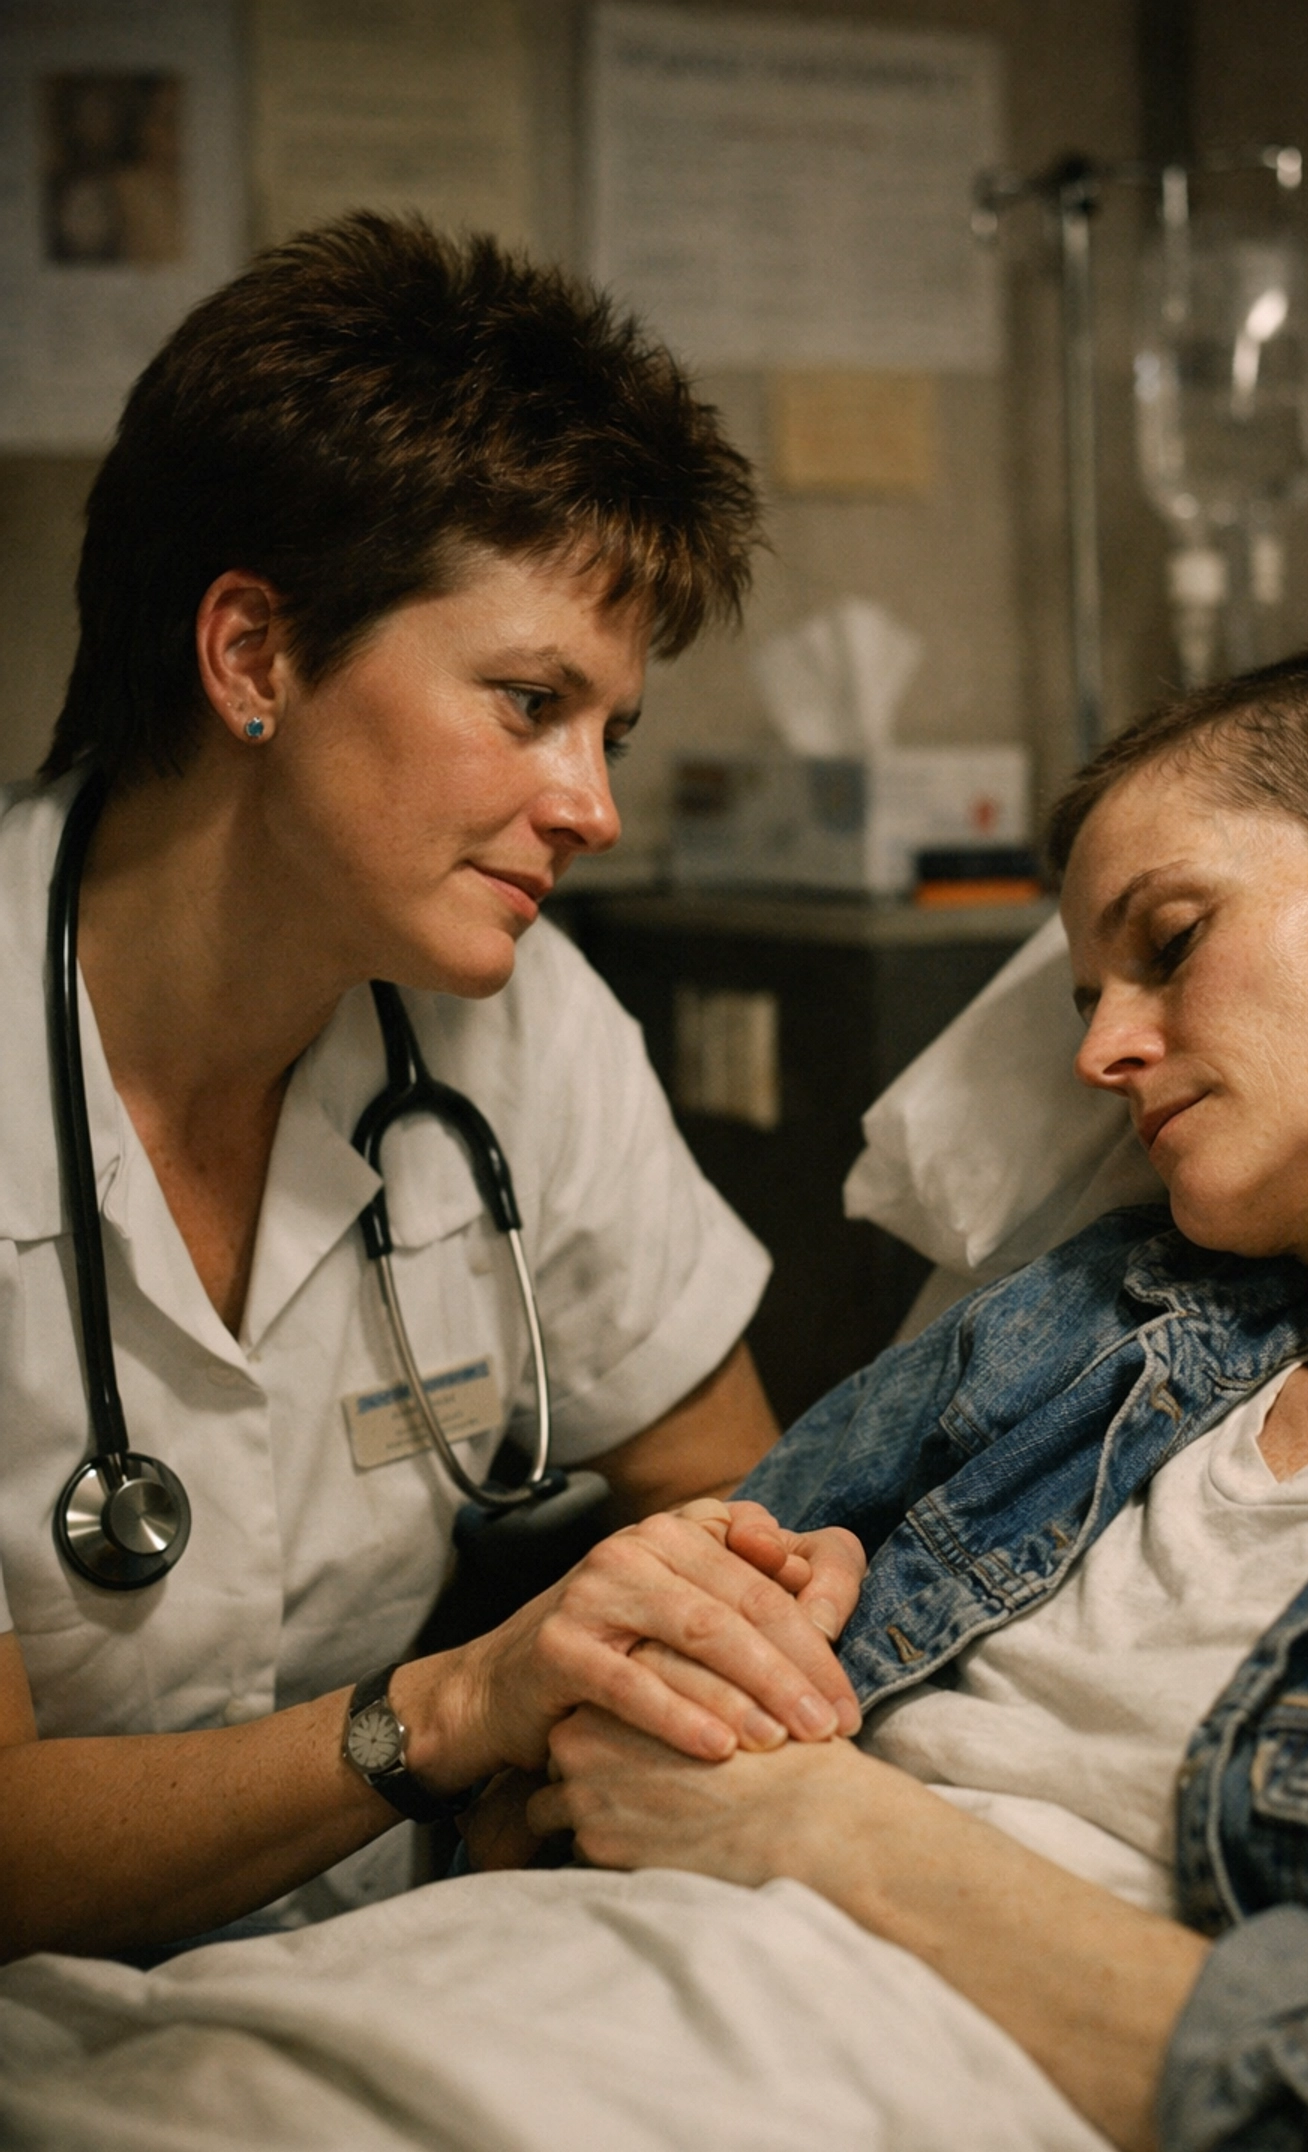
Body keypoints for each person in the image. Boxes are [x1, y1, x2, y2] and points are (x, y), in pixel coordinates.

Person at [522, 638, 1308, 2152]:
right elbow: (563, 1750)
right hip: (547, 1998)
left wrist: (827, 1829)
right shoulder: (1072, 1334)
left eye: (1171, 943)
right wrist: (700, 1641)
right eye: (1084, 998)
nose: (1099, 1056)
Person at [0, 213, 866, 1966]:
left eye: (607, 731)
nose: (593, 806)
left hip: (394, 1967)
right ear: (254, 656)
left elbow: (742, 1517)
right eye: (531, 702)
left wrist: (690, 1668)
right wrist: (454, 1713)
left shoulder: (522, 1031)